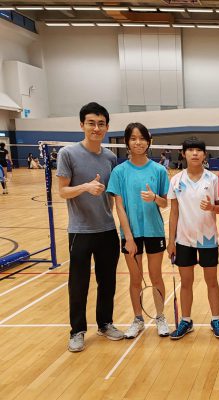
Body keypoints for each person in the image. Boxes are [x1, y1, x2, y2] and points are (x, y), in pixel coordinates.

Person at [57, 102, 124, 352]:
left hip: (107, 230)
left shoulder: (110, 158)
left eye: (101, 124)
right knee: (79, 283)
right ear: (82, 125)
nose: (96, 128)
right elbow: (62, 191)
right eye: (91, 123)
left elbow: (115, 195)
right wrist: (85, 187)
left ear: (106, 127)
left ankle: (105, 323)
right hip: (80, 231)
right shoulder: (68, 153)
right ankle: (77, 331)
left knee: (107, 282)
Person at [107, 122, 170, 339]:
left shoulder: (159, 170)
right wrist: (129, 238)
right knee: (135, 279)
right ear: (127, 142)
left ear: (148, 141)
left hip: (154, 231)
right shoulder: (119, 172)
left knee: (156, 276)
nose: (138, 142)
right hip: (131, 235)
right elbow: (120, 207)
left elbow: (165, 204)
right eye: (133, 138)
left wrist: (155, 198)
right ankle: (137, 319)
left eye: (142, 138)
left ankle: (160, 317)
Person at [167, 138, 219, 340]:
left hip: (207, 239)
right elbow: (173, 212)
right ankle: (186, 320)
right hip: (183, 240)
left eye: (199, 150)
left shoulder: (213, 180)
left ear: (204, 154)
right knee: (186, 282)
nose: (195, 153)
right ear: (183, 154)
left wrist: (212, 208)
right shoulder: (176, 180)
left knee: (212, 281)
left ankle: (216, 319)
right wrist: (171, 241)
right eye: (190, 150)